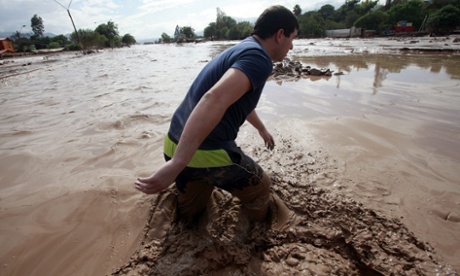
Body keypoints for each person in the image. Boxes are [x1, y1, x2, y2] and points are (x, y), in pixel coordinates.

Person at [135, 5, 299, 226]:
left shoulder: (241, 49)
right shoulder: (260, 59)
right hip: (201, 153)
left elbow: (234, 97)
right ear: (280, 35)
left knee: (190, 218)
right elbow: (214, 99)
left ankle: (187, 219)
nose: (292, 46)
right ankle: (259, 237)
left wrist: (261, 128)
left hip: (172, 143)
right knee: (262, 187)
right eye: (292, 38)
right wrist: (178, 163)